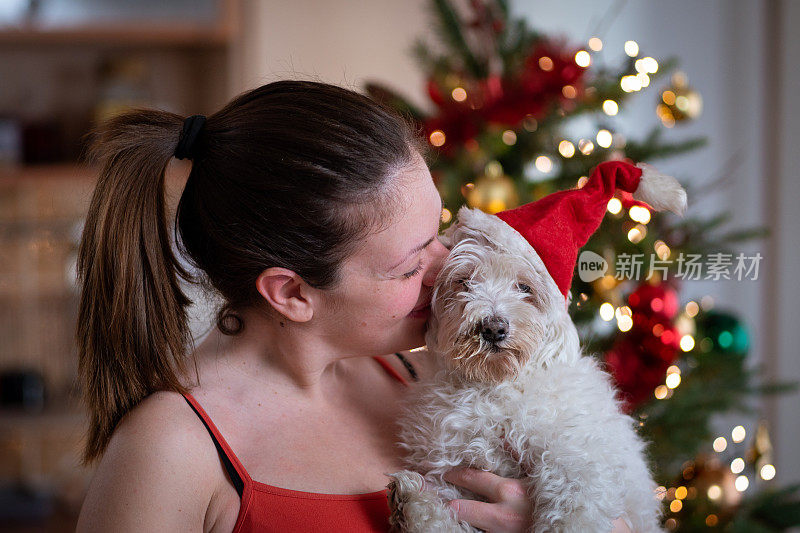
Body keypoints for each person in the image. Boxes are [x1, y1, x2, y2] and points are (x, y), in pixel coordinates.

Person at [74, 80, 632, 532]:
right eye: (410, 265)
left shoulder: (430, 369)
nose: (448, 270)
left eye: (438, 233)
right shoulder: (167, 453)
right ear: (292, 293)